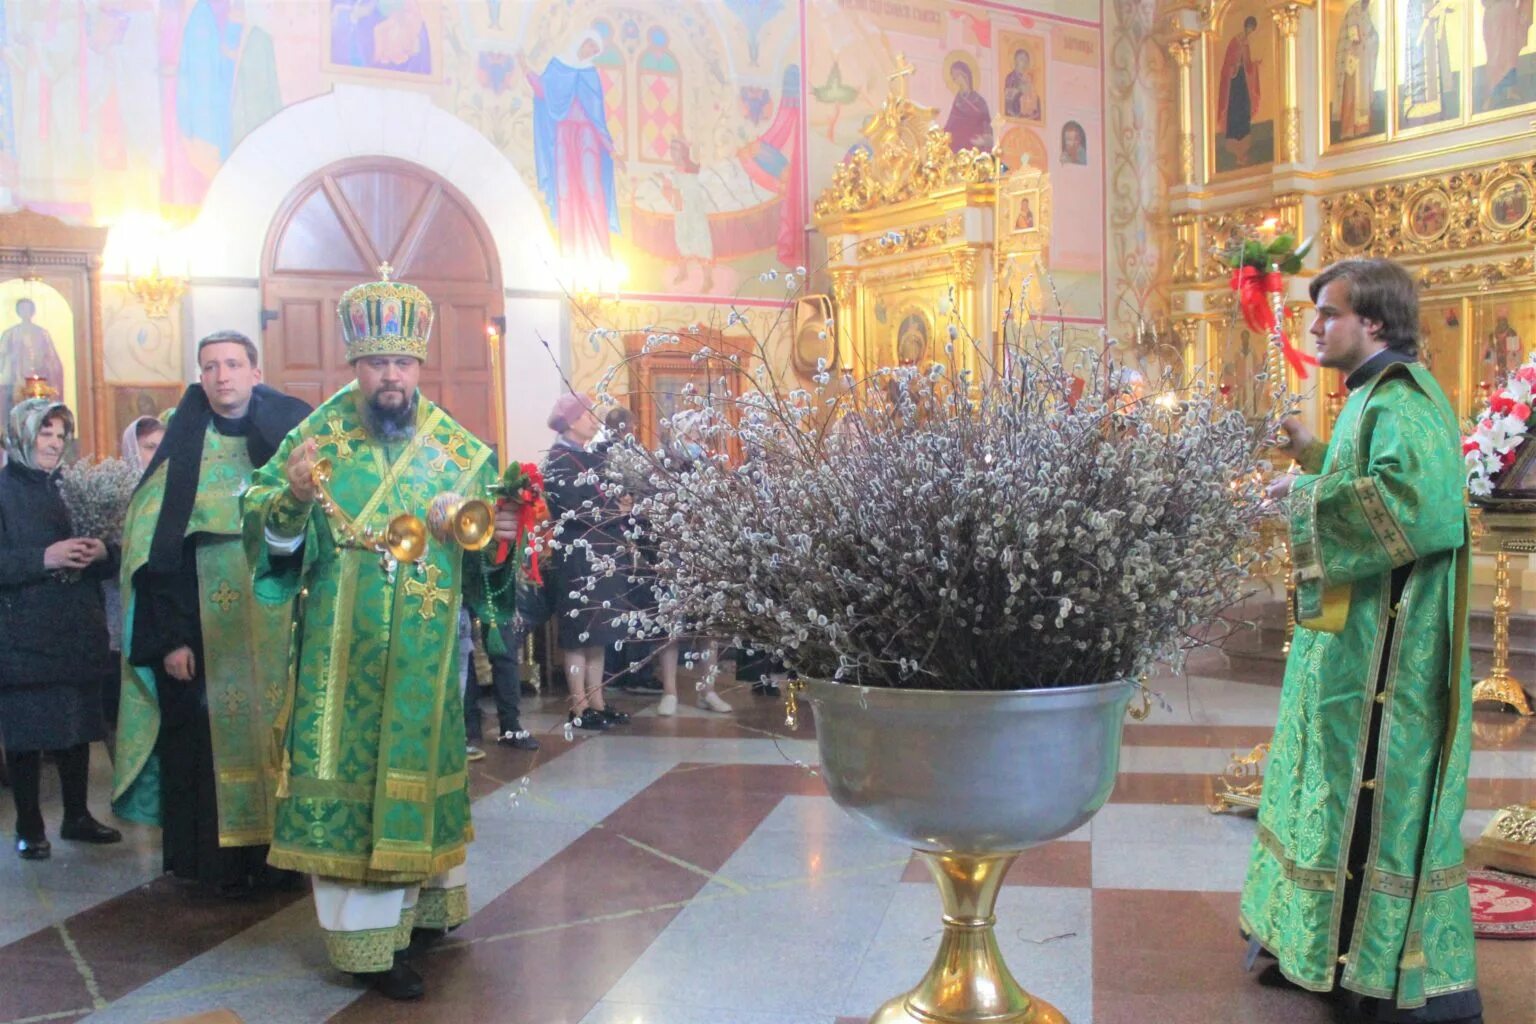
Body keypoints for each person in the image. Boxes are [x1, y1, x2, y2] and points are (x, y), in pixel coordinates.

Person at [241, 269, 522, 1000]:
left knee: (421, 773)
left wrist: (487, 532)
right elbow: (264, 523)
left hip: (427, 656)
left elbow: (493, 554)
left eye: (401, 362)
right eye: (376, 363)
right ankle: (368, 947)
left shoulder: (457, 451)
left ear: (418, 366)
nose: (390, 376)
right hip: (342, 651)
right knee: (355, 784)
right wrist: (297, 498)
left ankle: (423, 910)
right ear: (355, 366)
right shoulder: (316, 437)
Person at [1242, 259, 1481, 1024]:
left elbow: (1417, 510)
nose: (1314, 328)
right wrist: (1315, 458)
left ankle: (1368, 971)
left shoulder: (1404, 399)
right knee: (1325, 788)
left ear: (1372, 322)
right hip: (1352, 646)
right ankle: (1320, 950)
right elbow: (1367, 479)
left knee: (1369, 801)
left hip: (1390, 658)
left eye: (1328, 314)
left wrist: (1305, 494)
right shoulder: (1370, 396)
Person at [113, 332, 311, 897]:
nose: (221, 376)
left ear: (254, 371)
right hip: (201, 635)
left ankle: (281, 859)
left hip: (279, 633)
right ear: (200, 377)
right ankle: (213, 866)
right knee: (201, 744)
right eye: (209, 367)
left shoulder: (286, 441)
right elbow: (159, 555)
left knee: (281, 738)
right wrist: (172, 638)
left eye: (232, 364)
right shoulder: (183, 450)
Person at [0, 399, 121, 860]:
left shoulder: (75, 488)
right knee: (28, 733)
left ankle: (77, 815)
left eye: (59, 434)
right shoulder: (3, 490)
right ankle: (29, 825)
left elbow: (115, 546)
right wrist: (42, 558)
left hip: (76, 626)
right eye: (43, 432)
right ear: (19, 435)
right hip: (22, 632)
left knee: (77, 725)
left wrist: (102, 553)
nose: (53, 442)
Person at [542, 391, 632, 731]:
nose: (593, 419)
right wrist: (614, 510)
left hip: (603, 551)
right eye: (586, 415)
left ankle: (597, 700)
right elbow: (570, 509)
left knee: (600, 631)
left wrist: (623, 501)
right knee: (579, 632)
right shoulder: (557, 459)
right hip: (577, 555)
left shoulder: (593, 456)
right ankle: (578, 707)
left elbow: (608, 494)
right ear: (570, 421)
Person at [0, 298, 65, 421]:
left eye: (28, 309)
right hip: (17, 380)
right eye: (22, 309)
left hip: (40, 380)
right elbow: (2, 357)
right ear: (18, 311)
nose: (25, 312)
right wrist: (13, 358)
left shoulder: (42, 333)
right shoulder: (10, 333)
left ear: (32, 311)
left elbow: (51, 358)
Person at [942, 60, 994, 153]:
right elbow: (951, 123)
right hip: (957, 146)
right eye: (953, 77)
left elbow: (986, 124)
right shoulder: (958, 100)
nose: (955, 79)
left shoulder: (979, 100)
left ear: (965, 76)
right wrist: (941, 136)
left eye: (957, 75)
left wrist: (984, 141)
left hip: (974, 146)